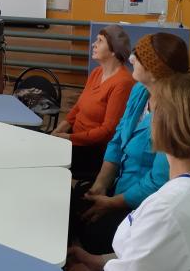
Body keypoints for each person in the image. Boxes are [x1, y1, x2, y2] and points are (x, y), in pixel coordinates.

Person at [66, 73, 190, 271]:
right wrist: (98, 262)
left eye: (153, 113)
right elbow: (158, 260)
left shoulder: (168, 211)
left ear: (165, 129)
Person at [70, 32, 190, 254]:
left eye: (139, 56)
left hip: (144, 207)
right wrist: (100, 185)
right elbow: (117, 139)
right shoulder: (140, 91)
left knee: (91, 231)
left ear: (155, 70)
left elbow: (158, 181)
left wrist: (112, 203)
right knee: (72, 204)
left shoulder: (175, 113)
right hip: (118, 187)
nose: (131, 58)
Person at [52, 25, 134, 179]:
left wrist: (68, 138)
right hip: (75, 139)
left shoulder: (123, 83)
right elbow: (77, 108)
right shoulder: (96, 73)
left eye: (100, 41)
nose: (93, 44)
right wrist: (57, 132)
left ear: (114, 51)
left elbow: (107, 131)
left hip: (93, 150)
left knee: (43, 157)